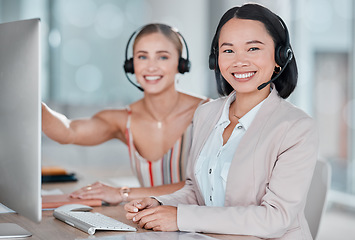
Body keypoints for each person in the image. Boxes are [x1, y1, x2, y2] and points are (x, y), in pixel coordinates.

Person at [124, 4, 318, 240]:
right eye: (228, 51)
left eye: (253, 48)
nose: (239, 61)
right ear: (216, 59)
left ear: (279, 57)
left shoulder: (297, 127)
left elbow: (275, 219)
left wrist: (179, 217)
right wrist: (159, 204)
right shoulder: (206, 114)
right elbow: (196, 191)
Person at [42, 23, 207, 205]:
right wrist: (34, 104)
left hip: (200, 223)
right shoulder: (124, 119)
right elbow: (67, 131)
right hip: (151, 220)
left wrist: (123, 193)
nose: (151, 67)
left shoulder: (207, 112)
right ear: (131, 65)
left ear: (181, 64)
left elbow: (202, 186)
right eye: (142, 57)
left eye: (162, 57)